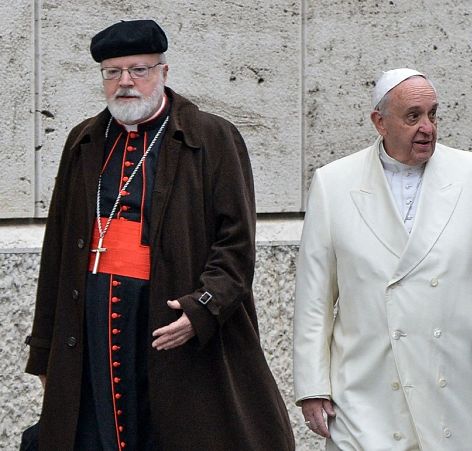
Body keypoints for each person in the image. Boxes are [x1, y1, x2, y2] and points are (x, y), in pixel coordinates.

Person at [24, 19, 294, 450]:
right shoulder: (84, 140)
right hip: (95, 327)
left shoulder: (211, 137)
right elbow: (57, 249)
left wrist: (201, 308)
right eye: (112, 72)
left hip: (172, 323)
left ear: (163, 73)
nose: (125, 82)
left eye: (138, 70)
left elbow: (236, 246)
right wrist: (45, 351)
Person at [293, 68, 472, 449]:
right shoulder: (333, 184)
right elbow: (314, 300)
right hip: (370, 394)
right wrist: (313, 386)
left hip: (462, 389)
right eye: (412, 116)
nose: (427, 127)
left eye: (433, 114)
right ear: (379, 122)